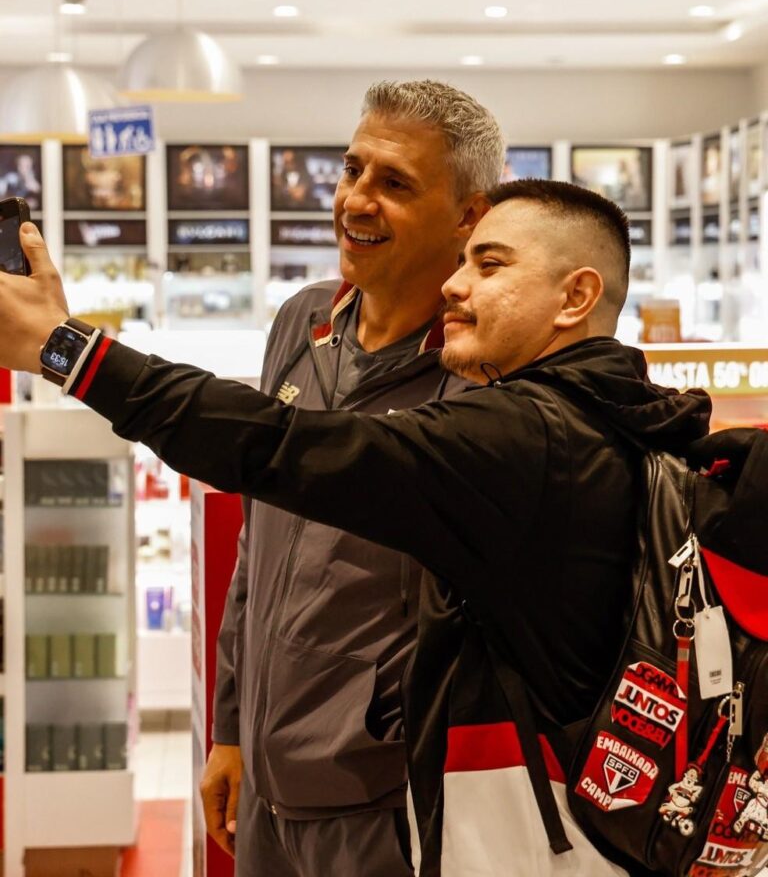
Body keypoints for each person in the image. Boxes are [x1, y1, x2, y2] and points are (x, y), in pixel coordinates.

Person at [0, 178, 711, 876]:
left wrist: (66, 350)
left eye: (489, 265)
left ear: (577, 297)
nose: (455, 286)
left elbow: (275, 445)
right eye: (464, 261)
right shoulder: (624, 417)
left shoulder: (525, 441)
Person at [211, 79, 502, 876]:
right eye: (352, 170)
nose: (355, 201)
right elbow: (257, 541)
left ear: (469, 216)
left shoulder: (482, 374)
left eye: (395, 183)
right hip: (266, 791)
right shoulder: (302, 322)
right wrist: (231, 725)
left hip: (385, 805)